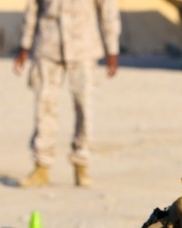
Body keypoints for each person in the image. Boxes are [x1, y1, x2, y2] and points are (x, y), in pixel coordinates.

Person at [13, 0, 121, 188]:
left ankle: (81, 164)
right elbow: (32, 8)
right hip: (48, 46)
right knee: (44, 108)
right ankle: (41, 167)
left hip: (83, 47)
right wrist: (25, 45)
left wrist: (112, 48)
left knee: (84, 108)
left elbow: (108, 8)